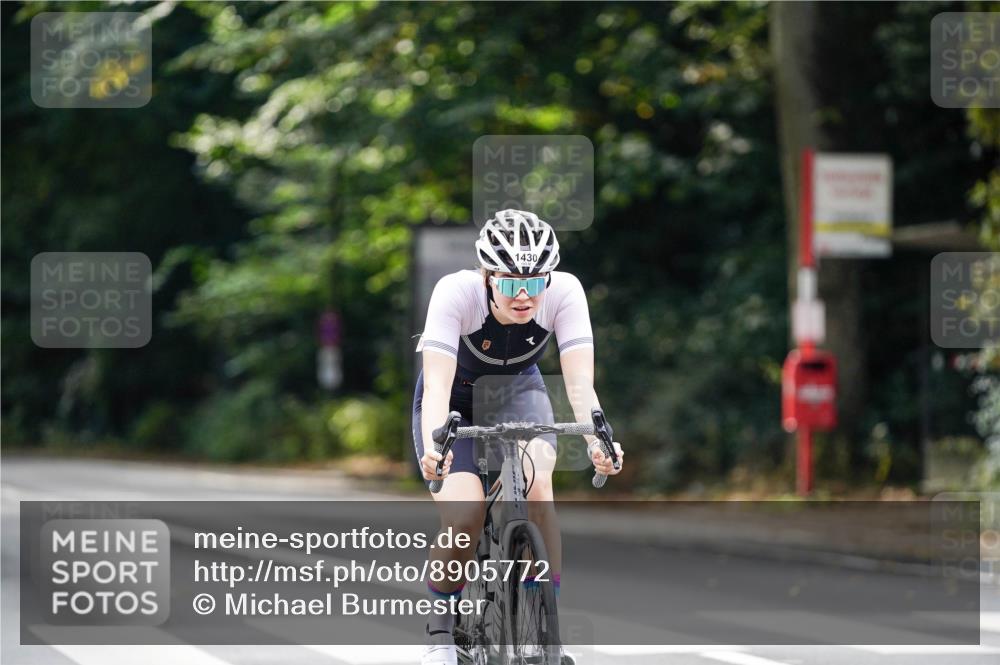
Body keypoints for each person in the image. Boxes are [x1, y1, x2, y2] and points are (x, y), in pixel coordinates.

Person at [412, 209, 624, 665]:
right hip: (453, 402)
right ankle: (440, 632)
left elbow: (580, 385)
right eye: (510, 282)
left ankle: (544, 630)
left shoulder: (564, 292)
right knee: (465, 513)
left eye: (536, 280)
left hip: (519, 393)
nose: (525, 294)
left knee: (539, 485)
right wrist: (434, 449)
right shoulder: (455, 294)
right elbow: (434, 386)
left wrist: (596, 440)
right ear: (487, 276)